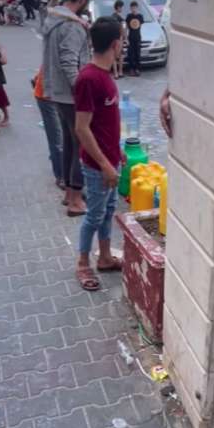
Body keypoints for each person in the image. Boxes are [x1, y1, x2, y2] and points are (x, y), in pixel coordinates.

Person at [74, 17, 124, 291]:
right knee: (93, 215)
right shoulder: (89, 79)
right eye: (123, 40)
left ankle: (104, 257)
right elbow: (81, 128)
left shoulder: (106, 76)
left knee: (107, 212)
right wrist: (105, 165)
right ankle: (83, 263)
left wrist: (117, 155)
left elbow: (106, 123)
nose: (123, 44)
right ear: (116, 43)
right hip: (97, 167)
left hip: (110, 162)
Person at [41, 0, 95, 217]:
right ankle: (75, 200)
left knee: (71, 143)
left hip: (56, 91)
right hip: (71, 95)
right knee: (81, 144)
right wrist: (81, 90)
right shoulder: (72, 26)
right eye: (87, 2)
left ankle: (68, 192)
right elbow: (69, 62)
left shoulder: (53, 19)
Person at [34, 66, 64, 189]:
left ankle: (57, 160)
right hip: (47, 96)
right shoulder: (61, 50)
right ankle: (61, 176)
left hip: (60, 95)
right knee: (57, 139)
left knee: (62, 134)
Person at [126, 0, 143, 76]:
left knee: (137, 53)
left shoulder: (140, 16)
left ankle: (137, 69)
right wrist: (125, 38)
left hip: (138, 37)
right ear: (130, 8)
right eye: (132, 8)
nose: (133, 9)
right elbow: (126, 27)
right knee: (130, 54)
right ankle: (131, 69)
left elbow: (141, 26)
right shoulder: (129, 16)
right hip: (130, 37)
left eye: (135, 7)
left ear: (137, 8)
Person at [111, 0, 125, 79]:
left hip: (114, 38)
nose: (122, 9)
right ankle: (119, 72)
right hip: (118, 38)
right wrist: (123, 38)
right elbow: (122, 29)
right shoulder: (119, 18)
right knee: (120, 55)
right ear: (118, 7)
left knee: (115, 56)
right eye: (121, 7)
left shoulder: (112, 16)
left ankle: (116, 73)